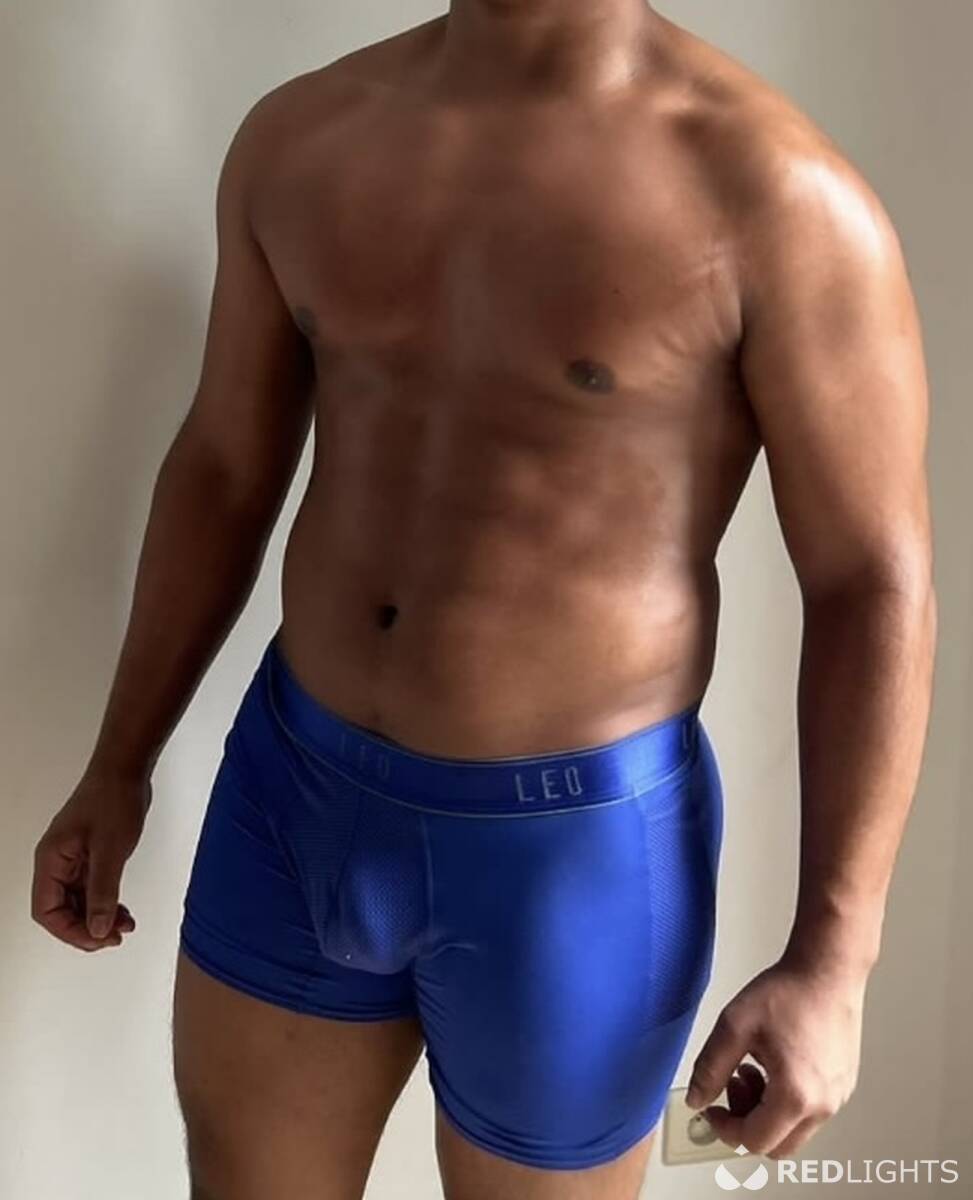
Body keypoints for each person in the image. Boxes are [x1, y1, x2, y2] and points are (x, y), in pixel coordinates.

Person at [30, 2, 936, 1197]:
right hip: (292, 797)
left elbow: (871, 580)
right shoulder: (303, 137)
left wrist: (835, 959)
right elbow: (224, 465)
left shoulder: (774, 196)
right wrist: (119, 761)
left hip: (572, 862)